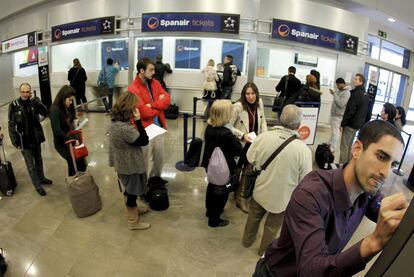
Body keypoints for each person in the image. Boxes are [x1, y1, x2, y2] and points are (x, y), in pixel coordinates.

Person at [253, 120, 408, 277]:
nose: (386, 173)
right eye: (381, 157)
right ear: (357, 149)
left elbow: (384, 211)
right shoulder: (311, 194)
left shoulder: (368, 192)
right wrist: (373, 242)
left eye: (393, 164)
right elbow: (310, 271)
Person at [242, 104, 312, 255]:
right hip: (282, 199)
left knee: (253, 217)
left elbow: (250, 158)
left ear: (280, 119)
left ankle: (246, 241)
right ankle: (263, 252)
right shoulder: (304, 151)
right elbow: (305, 179)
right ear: (299, 125)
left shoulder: (263, 137)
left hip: (260, 189)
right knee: (272, 227)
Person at [108, 91, 151, 230]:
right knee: (132, 192)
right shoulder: (126, 128)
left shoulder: (115, 122)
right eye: (135, 107)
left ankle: (133, 210)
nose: (137, 109)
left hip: (122, 162)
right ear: (129, 109)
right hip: (130, 165)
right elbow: (144, 140)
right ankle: (133, 222)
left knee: (129, 188)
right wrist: (138, 121)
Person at [128, 57, 170, 185]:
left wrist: (151, 105)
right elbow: (143, 113)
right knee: (144, 160)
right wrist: (159, 106)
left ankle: (156, 178)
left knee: (159, 158)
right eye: (151, 70)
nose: (154, 72)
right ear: (141, 70)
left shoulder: (155, 83)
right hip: (144, 129)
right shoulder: (133, 89)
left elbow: (167, 100)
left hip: (158, 126)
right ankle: (142, 185)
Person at [201, 100, 244, 227]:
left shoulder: (209, 127)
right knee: (222, 192)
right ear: (225, 115)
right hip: (224, 168)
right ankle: (214, 219)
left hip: (211, 166)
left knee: (211, 187)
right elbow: (238, 150)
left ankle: (209, 211)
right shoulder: (226, 134)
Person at [8, 83, 52, 196]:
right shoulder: (14, 105)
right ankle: (38, 186)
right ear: (20, 92)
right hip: (23, 141)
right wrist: (14, 141)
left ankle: (41, 178)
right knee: (30, 165)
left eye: (27, 92)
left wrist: (36, 101)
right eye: (23, 92)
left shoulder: (34, 102)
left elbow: (45, 112)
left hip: (35, 137)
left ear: (30, 92)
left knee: (39, 160)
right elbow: (11, 125)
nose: (25, 94)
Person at [229, 82, 268, 213]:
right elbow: (228, 126)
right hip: (240, 144)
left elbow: (263, 121)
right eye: (247, 94)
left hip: (254, 143)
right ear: (243, 94)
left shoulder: (259, 103)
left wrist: (264, 136)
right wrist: (242, 135)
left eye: (253, 93)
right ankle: (233, 191)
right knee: (236, 170)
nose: (250, 97)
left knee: (248, 171)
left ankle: (241, 198)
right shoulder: (238, 107)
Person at [50, 85, 87, 176]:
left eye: (72, 100)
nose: (71, 103)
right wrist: (71, 138)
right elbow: (57, 131)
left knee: (80, 160)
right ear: (63, 98)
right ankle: (74, 182)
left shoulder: (68, 107)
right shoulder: (54, 110)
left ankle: (80, 179)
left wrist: (76, 124)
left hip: (71, 138)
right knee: (72, 162)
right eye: (69, 100)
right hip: (62, 142)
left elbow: (72, 119)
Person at [339, 73, 370, 164]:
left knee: (344, 146)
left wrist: (343, 123)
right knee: (349, 145)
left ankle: (342, 166)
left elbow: (350, 111)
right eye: (354, 78)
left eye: (356, 79)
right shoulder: (365, 94)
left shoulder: (356, 94)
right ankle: (347, 164)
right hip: (357, 124)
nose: (354, 80)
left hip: (350, 124)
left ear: (361, 82)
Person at [328, 78, 351, 153]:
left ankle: (332, 148)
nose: (337, 86)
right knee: (333, 131)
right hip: (334, 114)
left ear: (342, 83)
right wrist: (334, 94)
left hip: (338, 116)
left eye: (338, 85)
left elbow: (341, 104)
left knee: (336, 132)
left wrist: (334, 94)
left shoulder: (347, 93)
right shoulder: (339, 90)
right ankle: (329, 145)